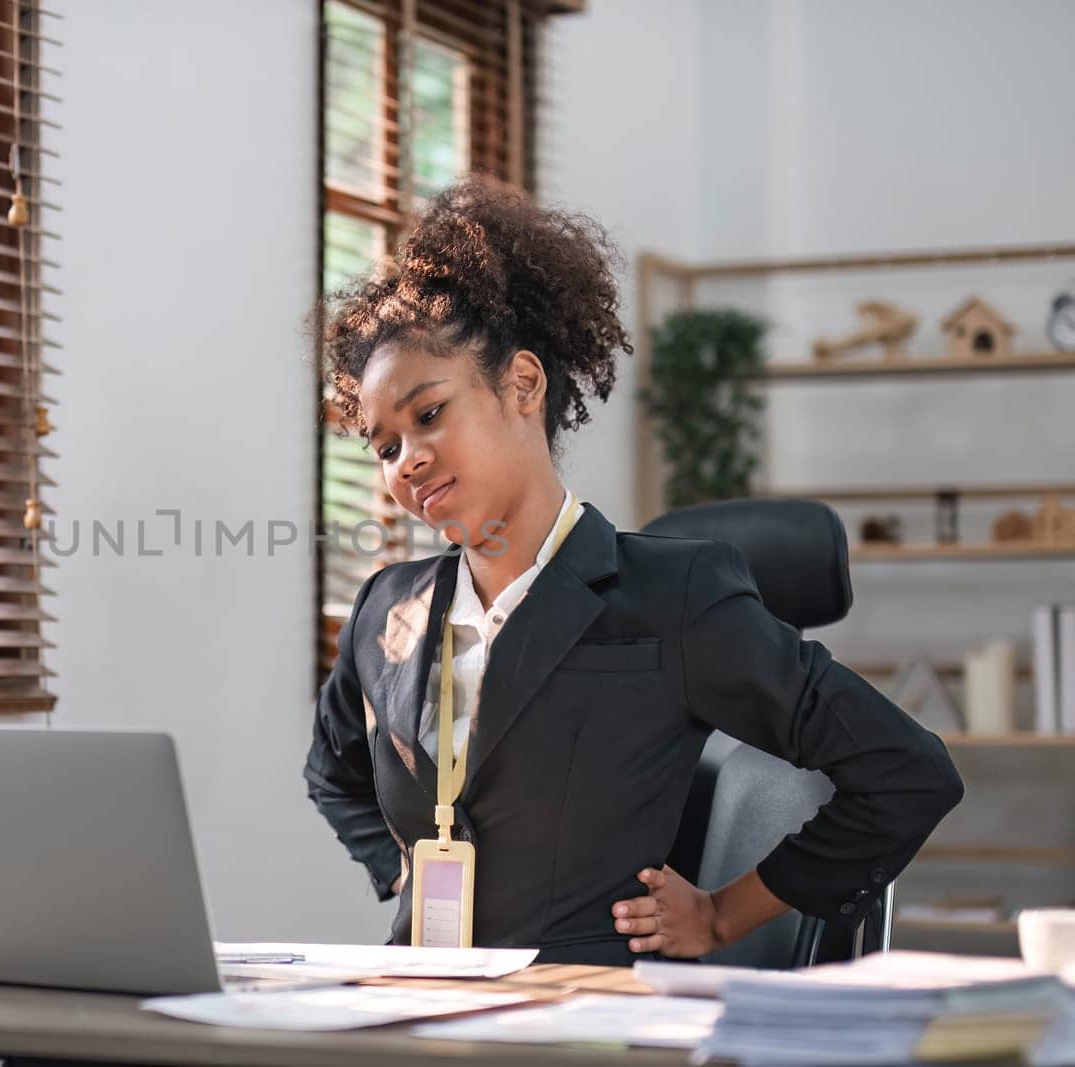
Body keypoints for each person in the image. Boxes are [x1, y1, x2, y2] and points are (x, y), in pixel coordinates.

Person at [303, 174, 964, 964]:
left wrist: (724, 913)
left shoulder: (673, 599)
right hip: (418, 1007)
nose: (407, 458)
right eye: (384, 445)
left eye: (429, 414)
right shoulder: (387, 611)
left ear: (522, 384)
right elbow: (331, 770)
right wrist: (407, 874)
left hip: (587, 1018)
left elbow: (905, 771)